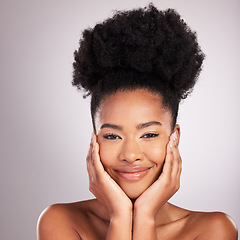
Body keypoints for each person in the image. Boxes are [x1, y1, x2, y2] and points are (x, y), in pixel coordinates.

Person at [37, 4, 238, 240]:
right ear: (94, 140)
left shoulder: (213, 229)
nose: (131, 155)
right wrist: (121, 215)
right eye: (112, 136)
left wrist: (145, 215)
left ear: (174, 138)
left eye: (149, 134)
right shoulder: (61, 221)